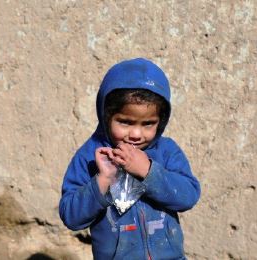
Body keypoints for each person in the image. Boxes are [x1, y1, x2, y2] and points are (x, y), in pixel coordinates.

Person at [59, 58, 201, 259]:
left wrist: (148, 171)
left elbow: (189, 196)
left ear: (161, 122)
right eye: (125, 122)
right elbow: (71, 216)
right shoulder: (91, 157)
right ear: (106, 115)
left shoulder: (167, 151)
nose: (136, 134)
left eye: (148, 124)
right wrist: (102, 181)